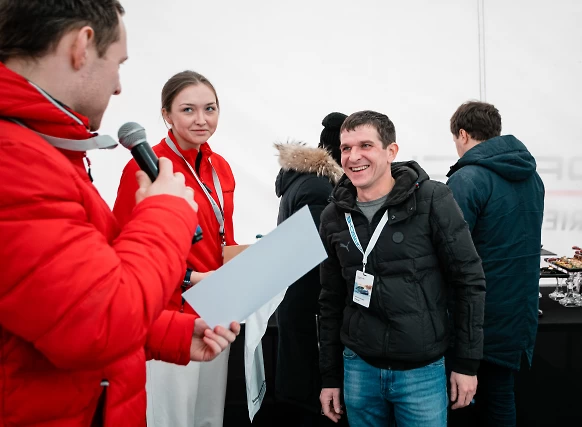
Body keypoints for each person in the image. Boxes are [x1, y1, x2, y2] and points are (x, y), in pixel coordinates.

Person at [0, 2, 239, 426]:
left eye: (210, 108)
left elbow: (74, 299)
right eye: (118, 63)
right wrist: (167, 212)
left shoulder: (41, 149)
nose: (118, 87)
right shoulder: (16, 159)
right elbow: (98, 321)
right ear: (82, 46)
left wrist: (171, 332)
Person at [317, 110, 486, 427]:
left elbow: (468, 281)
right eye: (346, 148)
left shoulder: (431, 199)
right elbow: (330, 299)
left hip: (420, 370)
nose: (354, 156)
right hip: (359, 367)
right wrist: (330, 377)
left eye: (365, 145)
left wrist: (466, 363)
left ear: (390, 151)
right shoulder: (334, 215)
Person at [113, 70, 237, 427]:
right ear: (166, 115)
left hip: (215, 309)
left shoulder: (220, 167)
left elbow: (223, 235)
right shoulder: (145, 166)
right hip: (168, 314)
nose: (201, 119)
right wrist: (189, 278)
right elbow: (123, 245)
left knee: (209, 417)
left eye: (209, 108)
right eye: (188, 110)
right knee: (172, 419)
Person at [445, 101, 545, 427]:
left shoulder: (467, 179)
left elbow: (449, 252)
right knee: (500, 399)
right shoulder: (532, 178)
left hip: (475, 315)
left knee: (459, 404)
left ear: (462, 134)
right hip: (517, 311)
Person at [274, 112, 346, 427]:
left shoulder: (304, 180)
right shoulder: (319, 188)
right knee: (310, 399)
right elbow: (322, 257)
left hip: (299, 302)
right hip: (311, 307)